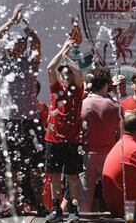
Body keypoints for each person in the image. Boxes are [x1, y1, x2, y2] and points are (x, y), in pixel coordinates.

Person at [0, 3, 43, 213]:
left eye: (23, 42)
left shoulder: (30, 63)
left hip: (30, 120)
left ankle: (40, 204)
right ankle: (15, 204)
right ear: (10, 46)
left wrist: (27, 27)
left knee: (35, 165)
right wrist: (12, 21)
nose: (20, 45)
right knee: (11, 165)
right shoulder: (3, 62)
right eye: (17, 42)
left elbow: (38, 45)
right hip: (9, 119)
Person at [45, 37, 84, 222]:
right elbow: (50, 69)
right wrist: (62, 49)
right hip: (53, 138)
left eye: (68, 73)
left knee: (72, 175)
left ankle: (74, 211)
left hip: (72, 139)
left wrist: (68, 58)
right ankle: (55, 209)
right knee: (54, 174)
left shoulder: (78, 90)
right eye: (63, 74)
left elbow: (79, 72)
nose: (66, 75)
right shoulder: (55, 87)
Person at [79, 67, 120, 212]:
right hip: (109, 156)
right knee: (114, 195)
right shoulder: (114, 106)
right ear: (106, 84)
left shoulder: (83, 104)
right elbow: (119, 132)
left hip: (87, 156)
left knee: (85, 198)